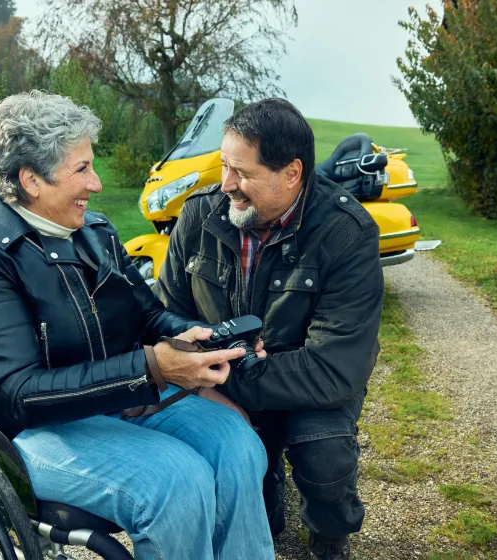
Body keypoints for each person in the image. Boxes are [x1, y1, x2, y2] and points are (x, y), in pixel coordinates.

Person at [0, 91, 275, 559]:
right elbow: (19, 394)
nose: (96, 183)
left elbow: (148, 315)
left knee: (239, 447)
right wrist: (151, 369)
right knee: (176, 481)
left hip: (123, 397)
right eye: (81, 169)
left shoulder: (95, 232)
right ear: (31, 179)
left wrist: (201, 340)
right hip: (31, 432)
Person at [155, 98, 384, 560]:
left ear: (292, 173)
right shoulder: (199, 215)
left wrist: (227, 376)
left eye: (241, 172)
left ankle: (329, 536)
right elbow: (163, 316)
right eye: (224, 166)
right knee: (247, 497)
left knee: (324, 453)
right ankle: (266, 490)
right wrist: (203, 377)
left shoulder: (347, 233)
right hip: (221, 377)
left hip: (305, 385)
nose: (226, 184)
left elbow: (334, 368)